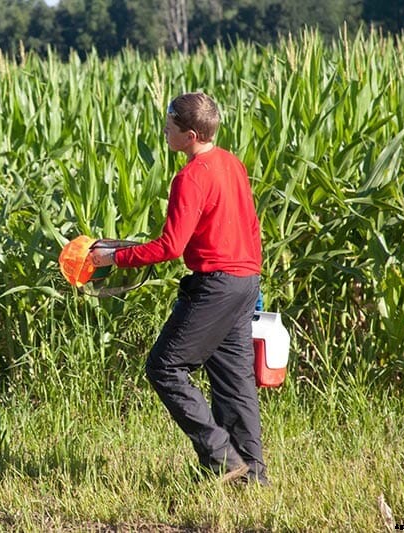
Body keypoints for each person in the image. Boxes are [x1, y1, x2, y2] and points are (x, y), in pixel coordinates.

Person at [90, 92, 267, 485]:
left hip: (216, 286)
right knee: (235, 381)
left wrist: (112, 258)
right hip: (243, 281)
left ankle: (221, 456)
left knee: (164, 367)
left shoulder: (191, 176)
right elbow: (252, 227)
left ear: (189, 135)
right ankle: (251, 476)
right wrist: (252, 284)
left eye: (169, 127)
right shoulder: (232, 164)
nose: (164, 131)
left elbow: (171, 246)